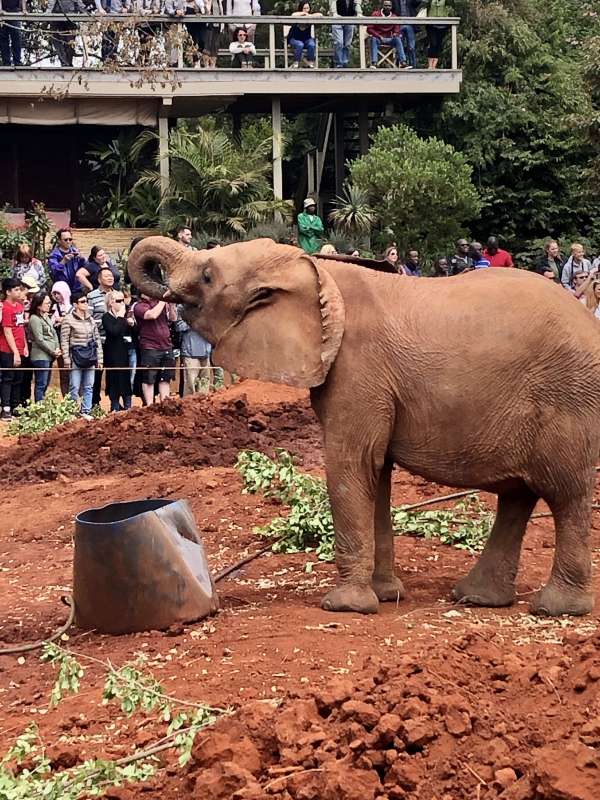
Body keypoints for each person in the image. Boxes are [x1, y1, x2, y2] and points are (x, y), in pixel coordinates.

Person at [60, 293, 103, 420]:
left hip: (90, 356)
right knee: (74, 385)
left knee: (89, 385)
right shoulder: (68, 319)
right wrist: (66, 359)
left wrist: (100, 358)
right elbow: (64, 341)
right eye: (82, 301)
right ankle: (72, 411)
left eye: (86, 301)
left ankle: (86, 411)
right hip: (76, 356)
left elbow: (97, 340)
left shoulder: (91, 319)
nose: (86, 304)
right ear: (75, 304)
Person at [133, 294, 177, 405]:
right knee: (149, 379)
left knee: (165, 378)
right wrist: (163, 301)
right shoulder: (139, 305)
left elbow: (173, 318)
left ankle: (165, 404)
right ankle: (149, 405)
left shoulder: (161, 304)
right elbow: (151, 315)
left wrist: (171, 305)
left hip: (166, 345)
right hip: (150, 347)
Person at [102, 289, 134, 411]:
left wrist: (131, 324)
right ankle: (114, 407)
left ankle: (128, 407)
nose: (122, 303)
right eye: (119, 301)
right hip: (112, 353)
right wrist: (121, 317)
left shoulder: (124, 317)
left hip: (124, 352)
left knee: (126, 380)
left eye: (123, 300)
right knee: (114, 380)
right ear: (111, 302)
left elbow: (132, 332)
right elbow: (114, 331)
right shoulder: (106, 317)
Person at [87, 266, 116, 405]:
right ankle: (94, 403)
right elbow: (89, 317)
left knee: (113, 373)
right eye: (106, 276)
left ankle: (114, 402)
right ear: (99, 279)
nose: (110, 278)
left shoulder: (117, 295)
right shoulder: (92, 296)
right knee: (97, 373)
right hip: (98, 340)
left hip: (114, 340)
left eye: (111, 275)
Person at [0, 278, 27, 421]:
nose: (19, 292)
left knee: (18, 378)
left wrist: (25, 346)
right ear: (8, 292)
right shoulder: (5, 308)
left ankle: (16, 407)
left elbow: (21, 328)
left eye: (19, 289)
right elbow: (7, 331)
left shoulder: (20, 306)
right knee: (8, 378)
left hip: (20, 348)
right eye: (16, 290)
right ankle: (6, 408)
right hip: (8, 350)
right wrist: (15, 352)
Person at [28, 292, 61, 403]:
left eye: (49, 303)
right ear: (38, 305)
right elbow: (39, 339)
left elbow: (54, 333)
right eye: (46, 303)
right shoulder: (34, 318)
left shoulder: (46, 316)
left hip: (49, 356)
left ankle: (42, 404)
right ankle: (39, 406)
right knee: (41, 383)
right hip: (40, 356)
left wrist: (57, 348)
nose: (49, 305)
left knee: (45, 383)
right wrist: (52, 351)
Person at [175, 306, 213, 395]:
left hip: (206, 352)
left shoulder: (207, 306)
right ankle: (189, 403)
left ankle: (203, 402)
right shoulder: (182, 307)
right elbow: (179, 327)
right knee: (190, 385)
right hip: (190, 354)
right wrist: (194, 321)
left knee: (204, 384)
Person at [367, 0, 410, 69]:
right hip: (378, 38)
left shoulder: (394, 17)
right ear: (382, 6)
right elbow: (369, 29)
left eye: (389, 6)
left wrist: (395, 34)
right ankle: (374, 63)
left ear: (391, 7)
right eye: (386, 5)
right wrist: (379, 36)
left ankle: (403, 62)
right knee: (373, 39)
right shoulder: (375, 14)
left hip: (390, 38)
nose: (387, 7)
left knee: (398, 39)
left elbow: (397, 30)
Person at [166, 0, 205, 68]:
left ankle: (194, 61)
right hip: (172, 24)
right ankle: (173, 63)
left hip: (186, 24)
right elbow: (169, 10)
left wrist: (183, 12)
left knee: (193, 41)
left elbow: (184, 7)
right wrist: (176, 12)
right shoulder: (169, 1)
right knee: (175, 44)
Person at [50, 280, 72, 395]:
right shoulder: (53, 308)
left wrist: (64, 320)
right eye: (55, 293)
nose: (57, 296)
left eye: (59, 293)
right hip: (59, 344)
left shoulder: (72, 308)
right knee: (63, 373)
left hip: (72, 344)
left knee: (74, 373)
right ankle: (66, 397)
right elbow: (51, 323)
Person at [50, 0, 85, 67]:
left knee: (70, 42)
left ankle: (68, 62)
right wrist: (48, 13)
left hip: (70, 17)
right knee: (57, 41)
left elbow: (79, 3)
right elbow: (51, 2)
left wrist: (83, 9)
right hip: (58, 16)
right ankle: (64, 62)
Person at [287, 2, 321, 70]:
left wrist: (309, 15)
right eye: (304, 8)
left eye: (307, 8)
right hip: (294, 39)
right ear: (301, 9)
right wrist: (303, 14)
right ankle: (296, 62)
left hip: (306, 39)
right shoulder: (297, 16)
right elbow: (293, 15)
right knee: (300, 44)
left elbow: (320, 15)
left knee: (312, 44)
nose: (306, 10)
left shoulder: (310, 17)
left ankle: (310, 62)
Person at [330, 0, 361, 69]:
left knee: (347, 44)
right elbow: (332, 2)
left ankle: (345, 62)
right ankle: (339, 63)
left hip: (350, 19)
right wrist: (334, 13)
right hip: (337, 19)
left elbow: (357, 3)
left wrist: (359, 13)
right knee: (339, 42)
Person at [392, 0, 420, 68]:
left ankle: (413, 65)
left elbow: (417, 2)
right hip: (398, 24)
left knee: (411, 46)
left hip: (410, 24)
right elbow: (390, 9)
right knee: (400, 45)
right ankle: (401, 64)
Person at [0, 0, 26, 67]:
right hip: (3, 12)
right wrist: (0, 10)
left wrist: (24, 9)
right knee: (3, 39)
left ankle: (17, 61)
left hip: (15, 11)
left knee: (16, 37)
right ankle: (6, 63)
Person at [424, 0, 449, 69]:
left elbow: (449, 9)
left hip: (442, 25)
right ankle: (430, 65)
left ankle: (434, 66)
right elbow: (425, 6)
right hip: (431, 25)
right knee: (433, 43)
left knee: (439, 45)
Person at [199, 0, 223, 68]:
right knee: (206, 44)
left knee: (215, 44)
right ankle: (206, 64)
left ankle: (213, 64)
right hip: (205, 25)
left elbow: (221, 12)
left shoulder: (218, 1)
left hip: (217, 25)